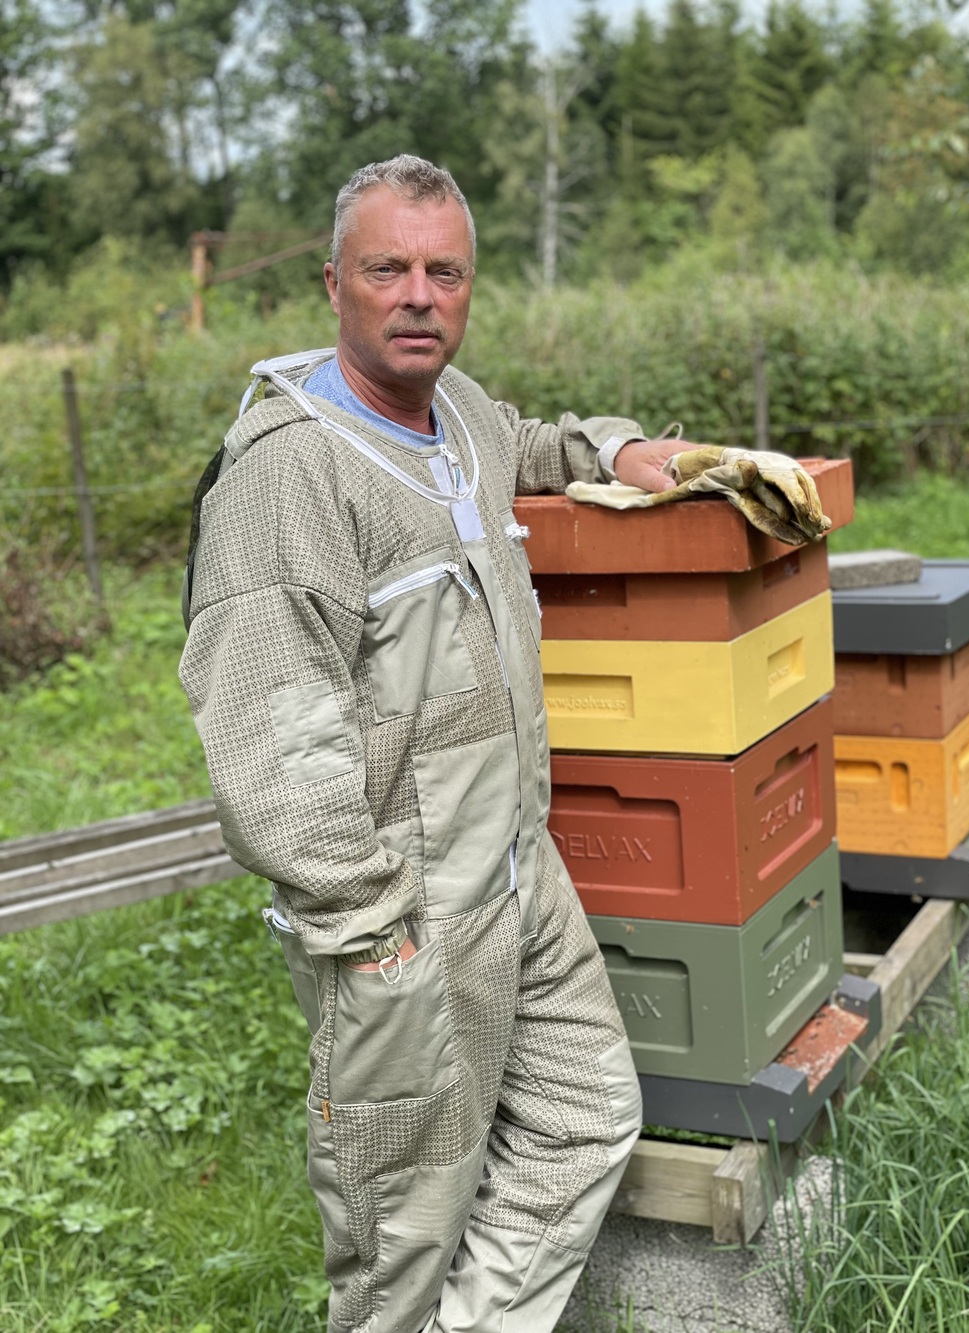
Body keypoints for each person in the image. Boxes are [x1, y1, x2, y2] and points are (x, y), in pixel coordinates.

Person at [179, 154, 690, 1333]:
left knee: (584, 1114)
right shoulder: (289, 471)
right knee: (398, 1234)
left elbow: (519, 442)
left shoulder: (453, 415)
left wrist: (613, 454)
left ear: (468, 287)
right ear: (334, 284)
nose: (418, 294)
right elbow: (270, 730)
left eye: (443, 270)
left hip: (517, 867)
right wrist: (370, 937)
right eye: (387, 269)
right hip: (402, 909)